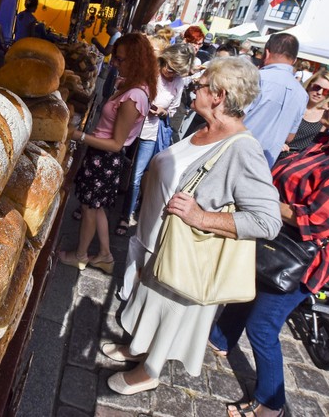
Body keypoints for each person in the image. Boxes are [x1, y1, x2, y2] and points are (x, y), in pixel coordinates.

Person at [210, 71, 329, 417]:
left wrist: (261, 200)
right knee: (244, 290)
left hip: (300, 259)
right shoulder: (327, 142)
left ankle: (271, 404)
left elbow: (315, 220)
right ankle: (220, 339)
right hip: (275, 239)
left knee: (263, 327)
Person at [104, 57, 281, 394]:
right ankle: (136, 348)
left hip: (184, 253)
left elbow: (267, 221)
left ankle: (148, 371)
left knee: (166, 311)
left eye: (201, 85)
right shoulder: (203, 128)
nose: (194, 89)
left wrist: (202, 217)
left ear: (219, 95)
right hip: (155, 238)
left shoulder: (243, 149)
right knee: (146, 303)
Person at [58, 33, 158, 273]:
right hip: (101, 157)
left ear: (136, 61)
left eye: (120, 60)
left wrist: (77, 135)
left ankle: (80, 255)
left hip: (104, 158)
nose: (114, 63)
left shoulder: (135, 96)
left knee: (89, 208)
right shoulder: (133, 87)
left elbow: (116, 144)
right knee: (98, 207)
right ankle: (105, 255)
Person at [115, 43, 194, 236]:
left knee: (137, 176)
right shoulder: (149, 69)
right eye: (170, 68)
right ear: (165, 59)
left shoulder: (178, 83)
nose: (171, 73)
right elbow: (124, 85)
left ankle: (126, 215)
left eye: (177, 72)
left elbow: (173, 110)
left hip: (150, 131)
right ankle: (98, 201)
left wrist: (163, 111)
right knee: (115, 163)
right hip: (128, 124)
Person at [243, 33, 309, 166]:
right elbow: (290, 137)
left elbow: (231, 116)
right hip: (264, 166)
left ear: (266, 53)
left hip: (235, 152)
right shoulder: (302, 94)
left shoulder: (256, 77)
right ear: (294, 60)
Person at [277, 70, 329, 161]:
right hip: (277, 155)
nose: (319, 92)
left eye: (325, 91)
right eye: (317, 87)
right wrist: (278, 143)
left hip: (300, 163)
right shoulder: (293, 105)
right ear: (309, 85)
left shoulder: (326, 116)